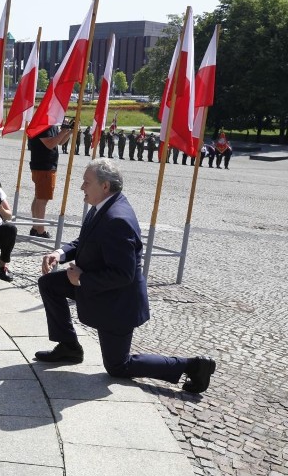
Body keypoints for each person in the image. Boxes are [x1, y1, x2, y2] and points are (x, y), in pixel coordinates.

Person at [34, 159, 216, 394]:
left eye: (86, 182)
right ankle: (69, 347)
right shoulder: (101, 206)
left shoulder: (117, 219)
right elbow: (85, 241)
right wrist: (60, 253)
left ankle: (193, 365)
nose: (81, 187)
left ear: (106, 186)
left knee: (118, 366)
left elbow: (123, 275)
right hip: (98, 288)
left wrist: (81, 280)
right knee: (50, 284)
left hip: (117, 303)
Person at [27, 119, 72, 238]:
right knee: (42, 199)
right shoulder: (42, 123)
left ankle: (36, 227)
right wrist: (63, 131)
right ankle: (40, 231)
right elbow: (50, 144)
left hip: (45, 165)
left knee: (39, 197)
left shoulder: (50, 124)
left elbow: (60, 142)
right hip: (43, 166)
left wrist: (69, 131)